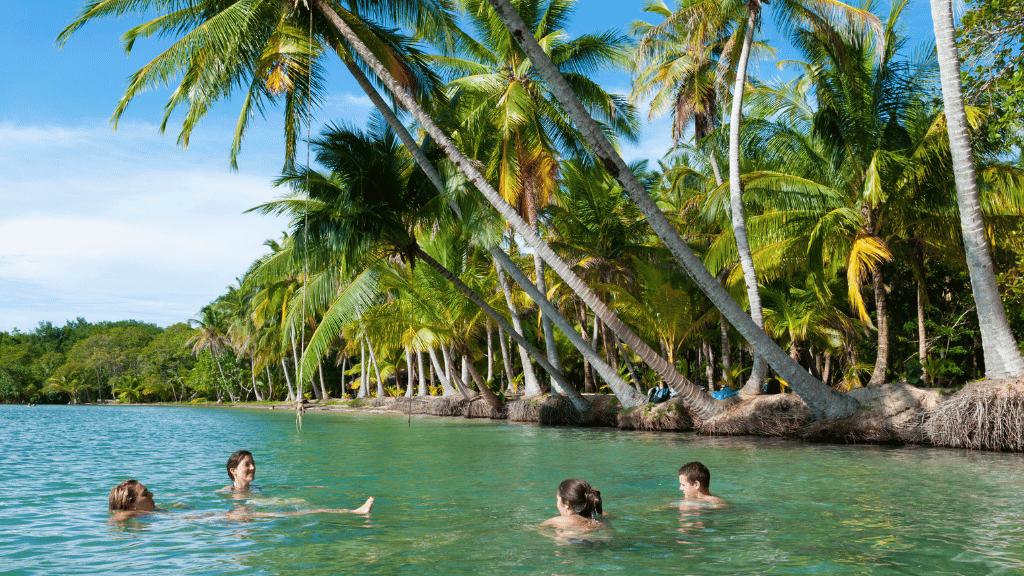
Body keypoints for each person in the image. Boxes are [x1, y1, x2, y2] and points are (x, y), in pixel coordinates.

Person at [220, 450, 374, 514]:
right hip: (246, 512)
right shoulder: (228, 490)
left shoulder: (255, 488)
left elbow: (283, 487)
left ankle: (350, 511)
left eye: (253, 463)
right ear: (233, 471)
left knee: (300, 501)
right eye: (247, 465)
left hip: (258, 505)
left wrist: (310, 486)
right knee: (300, 511)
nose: (253, 468)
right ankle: (353, 512)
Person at [540, 478, 605, 530]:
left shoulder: (559, 520)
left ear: (566, 504)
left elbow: (540, 528)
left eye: (558, 499)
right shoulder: (600, 516)